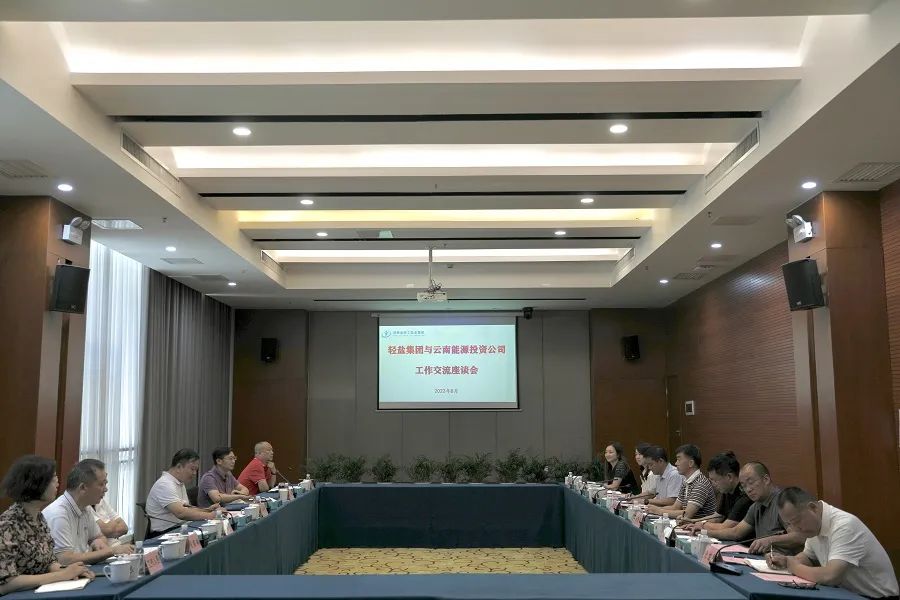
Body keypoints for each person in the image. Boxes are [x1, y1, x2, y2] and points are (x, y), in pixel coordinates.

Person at [768, 487, 898, 599]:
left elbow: (831, 576)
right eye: (790, 524)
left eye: (797, 521)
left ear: (813, 508)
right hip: (845, 594)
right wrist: (786, 560)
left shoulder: (844, 525)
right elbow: (808, 557)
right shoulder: (813, 527)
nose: (796, 529)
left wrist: (794, 567)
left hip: (874, 597)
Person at [0, 455, 93, 595]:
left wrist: (71, 571)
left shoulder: (39, 517)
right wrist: (62, 575)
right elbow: (6, 583)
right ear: (36, 483)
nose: (57, 483)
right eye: (53, 478)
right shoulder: (7, 524)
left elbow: (49, 563)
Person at [699, 462, 804, 554]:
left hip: (785, 563)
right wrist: (704, 532)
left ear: (766, 479)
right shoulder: (755, 506)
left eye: (751, 482)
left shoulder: (783, 502)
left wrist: (771, 540)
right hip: (763, 561)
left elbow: (800, 537)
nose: (748, 489)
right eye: (744, 486)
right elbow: (736, 532)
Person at [42, 459, 134, 564]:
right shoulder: (58, 513)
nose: (105, 489)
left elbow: (99, 537)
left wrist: (97, 541)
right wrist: (111, 551)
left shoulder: (86, 507)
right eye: (101, 484)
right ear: (83, 488)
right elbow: (64, 559)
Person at [146, 449, 219, 537]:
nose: (194, 473)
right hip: (164, 534)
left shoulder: (179, 483)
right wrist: (210, 515)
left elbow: (186, 509)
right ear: (179, 467)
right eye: (192, 469)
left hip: (179, 528)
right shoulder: (164, 484)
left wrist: (207, 510)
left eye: (196, 470)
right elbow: (181, 513)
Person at [686, 451, 752, 532]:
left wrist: (702, 525)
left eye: (715, 480)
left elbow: (726, 527)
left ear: (729, 477)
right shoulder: (727, 490)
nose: (713, 484)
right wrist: (693, 521)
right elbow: (718, 517)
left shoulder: (745, 496)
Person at [647, 444, 716, 518]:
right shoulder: (686, 481)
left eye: (679, 460)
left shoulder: (700, 483)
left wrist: (659, 511)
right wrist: (653, 509)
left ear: (691, 463)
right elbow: (675, 507)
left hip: (699, 524)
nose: (676, 463)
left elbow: (687, 514)